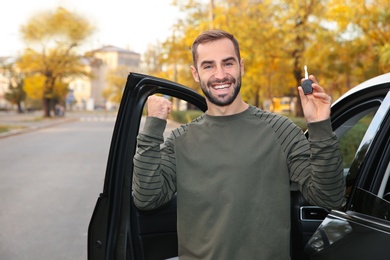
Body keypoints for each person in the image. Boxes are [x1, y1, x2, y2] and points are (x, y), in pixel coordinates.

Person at [132, 29, 345, 260]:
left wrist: (319, 125)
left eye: (228, 63)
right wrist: (153, 126)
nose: (220, 74)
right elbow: (147, 198)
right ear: (196, 73)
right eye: (208, 66)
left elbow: (328, 197)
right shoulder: (180, 140)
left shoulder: (281, 131)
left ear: (241, 66)